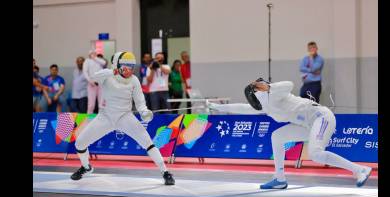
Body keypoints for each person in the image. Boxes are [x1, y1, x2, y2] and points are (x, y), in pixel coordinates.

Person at [207, 79, 372, 189]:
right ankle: (280, 179)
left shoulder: (274, 93)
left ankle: (360, 170)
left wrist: (269, 87)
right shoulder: (265, 106)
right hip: (307, 125)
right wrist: (217, 107)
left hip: (321, 117)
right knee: (277, 136)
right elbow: (241, 108)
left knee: (315, 154)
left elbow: (289, 84)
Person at [70, 51, 175, 186]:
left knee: (148, 142)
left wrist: (144, 112)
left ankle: (165, 172)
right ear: (118, 65)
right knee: (80, 143)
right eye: (126, 66)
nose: (129, 70)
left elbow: (140, 102)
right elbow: (93, 76)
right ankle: (86, 167)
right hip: (105, 117)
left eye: (131, 66)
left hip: (125, 117)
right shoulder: (107, 75)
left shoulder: (134, 80)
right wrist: (111, 72)